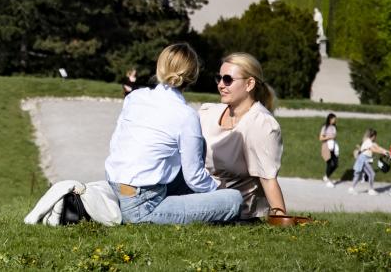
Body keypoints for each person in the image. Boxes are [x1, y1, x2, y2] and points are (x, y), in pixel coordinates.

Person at [104, 43, 242, 225]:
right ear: (192, 76)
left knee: (189, 154)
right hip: (142, 207)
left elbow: (117, 144)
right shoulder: (186, 115)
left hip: (114, 187)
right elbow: (194, 178)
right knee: (234, 200)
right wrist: (217, 189)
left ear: (159, 67)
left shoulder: (135, 97)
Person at [199, 52, 289, 220]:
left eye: (228, 79)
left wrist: (280, 215)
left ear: (249, 84)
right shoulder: (207, 113)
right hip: (199, 196)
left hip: (234, 210)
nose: (220, 85)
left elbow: (268, 178)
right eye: (218, 78)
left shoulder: (261, 124)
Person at [350, 128, 387, 193]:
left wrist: (386, 151)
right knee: (371, 174)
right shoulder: (368, 142)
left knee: (358, 175)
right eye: (375, 136)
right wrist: (382, 152)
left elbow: (378, 147)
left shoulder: (371, 142)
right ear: (373, 136)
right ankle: (370, 190)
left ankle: (351, 188)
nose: (376, 138)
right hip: (363, 159)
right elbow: (373, 149)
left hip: (364, 159)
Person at [319, 113, 339, 186]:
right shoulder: (325, 127)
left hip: (333, 146)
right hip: (327, 146)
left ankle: (326, 176)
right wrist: (329, 137)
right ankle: (327, 178)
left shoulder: (334, 127)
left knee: (336, 164)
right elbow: (321, 138)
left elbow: (334, 136)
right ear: (330, 119)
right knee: (329, 163)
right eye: (334, 119)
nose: (335, 120)